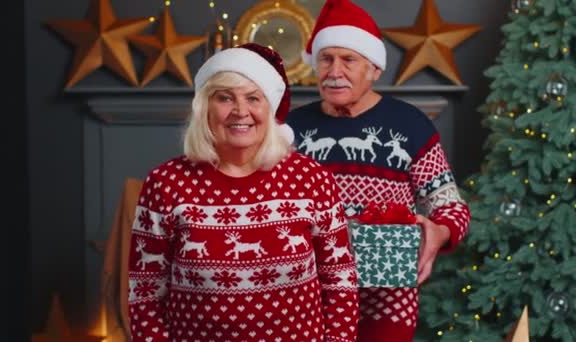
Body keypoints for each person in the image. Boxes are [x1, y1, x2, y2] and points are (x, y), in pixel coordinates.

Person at [127, 43, 359, 342]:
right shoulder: (165, 183)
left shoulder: (312, 180)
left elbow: (340, 281)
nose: (240, 111)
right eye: (225, 98)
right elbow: (145, 292)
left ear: (270, 107)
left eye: (253, 98)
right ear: (205, 107)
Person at [285, 1, 472, 341]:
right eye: (326, 59)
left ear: (374, 69)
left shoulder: (410, 125)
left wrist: (438, 232)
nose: (334, 71)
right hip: (307, 297)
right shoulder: (289, 129)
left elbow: (451, 208)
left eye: (349, 60)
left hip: (386, 301)